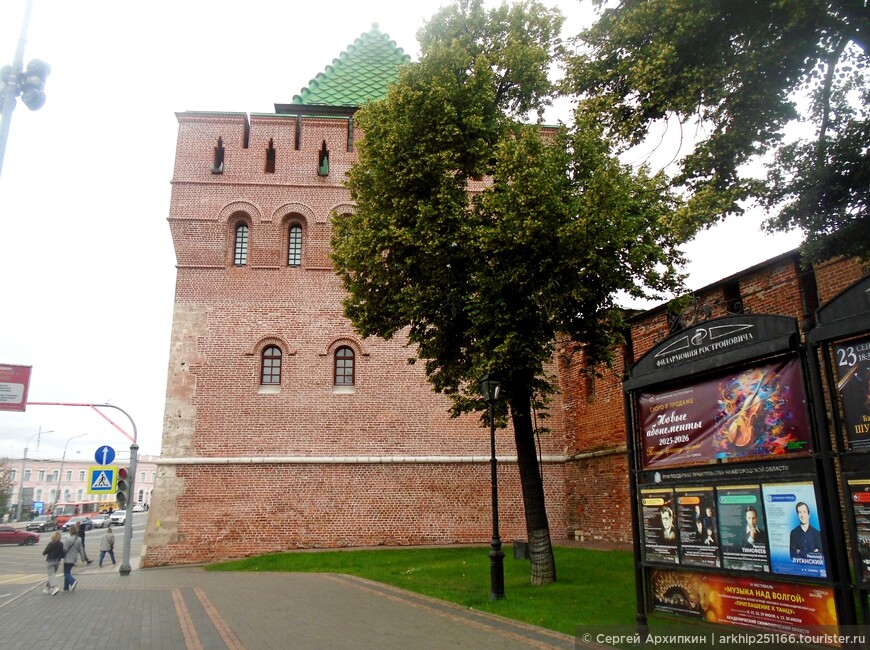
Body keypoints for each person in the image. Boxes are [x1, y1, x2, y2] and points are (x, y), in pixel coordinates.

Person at [62, 525, 85, 592]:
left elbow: (65, 549)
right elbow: (81, 549)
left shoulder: (68, 538)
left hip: (68, 557)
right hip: (74, 558)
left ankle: (73, 581)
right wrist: (82, 558)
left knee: (66, 573)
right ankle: (66, 588)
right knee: (68, 572)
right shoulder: (79, 539)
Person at [42, 531, 64, 595]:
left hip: (50, 561)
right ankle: (47, 589)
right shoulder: (61, 544)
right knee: (52, 575)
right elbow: (62, 553)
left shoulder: (50, 544)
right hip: (57, 561)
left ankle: (55, 587)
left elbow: (44, 552)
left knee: (51, 575)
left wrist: (47, 552)